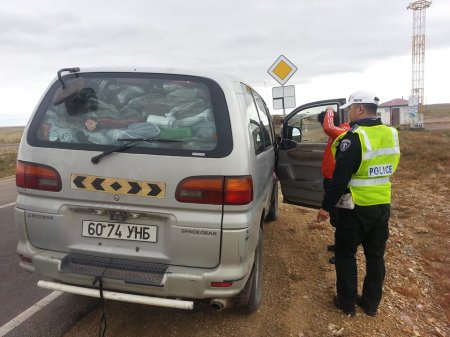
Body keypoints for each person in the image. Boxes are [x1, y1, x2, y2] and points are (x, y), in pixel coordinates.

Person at [316, 90, 400, 317]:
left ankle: (347, 304)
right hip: (382, 206)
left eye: (351, 108)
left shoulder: (355, 138)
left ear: (360, 109)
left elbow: (339, 177)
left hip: (355, 207)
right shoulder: (391, 134)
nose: (349, 113)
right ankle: (371, 304)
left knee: (345, 255)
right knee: (375, 257)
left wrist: (326, 206)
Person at [317, 107, 350, 264]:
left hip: (334, 180)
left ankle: (342, 252)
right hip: (330, 179)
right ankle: (339, 245)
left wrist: (329, 110)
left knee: (341, 218)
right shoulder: (338, 133)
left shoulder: (343, 131)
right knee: (337, 217)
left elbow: (328, 127)